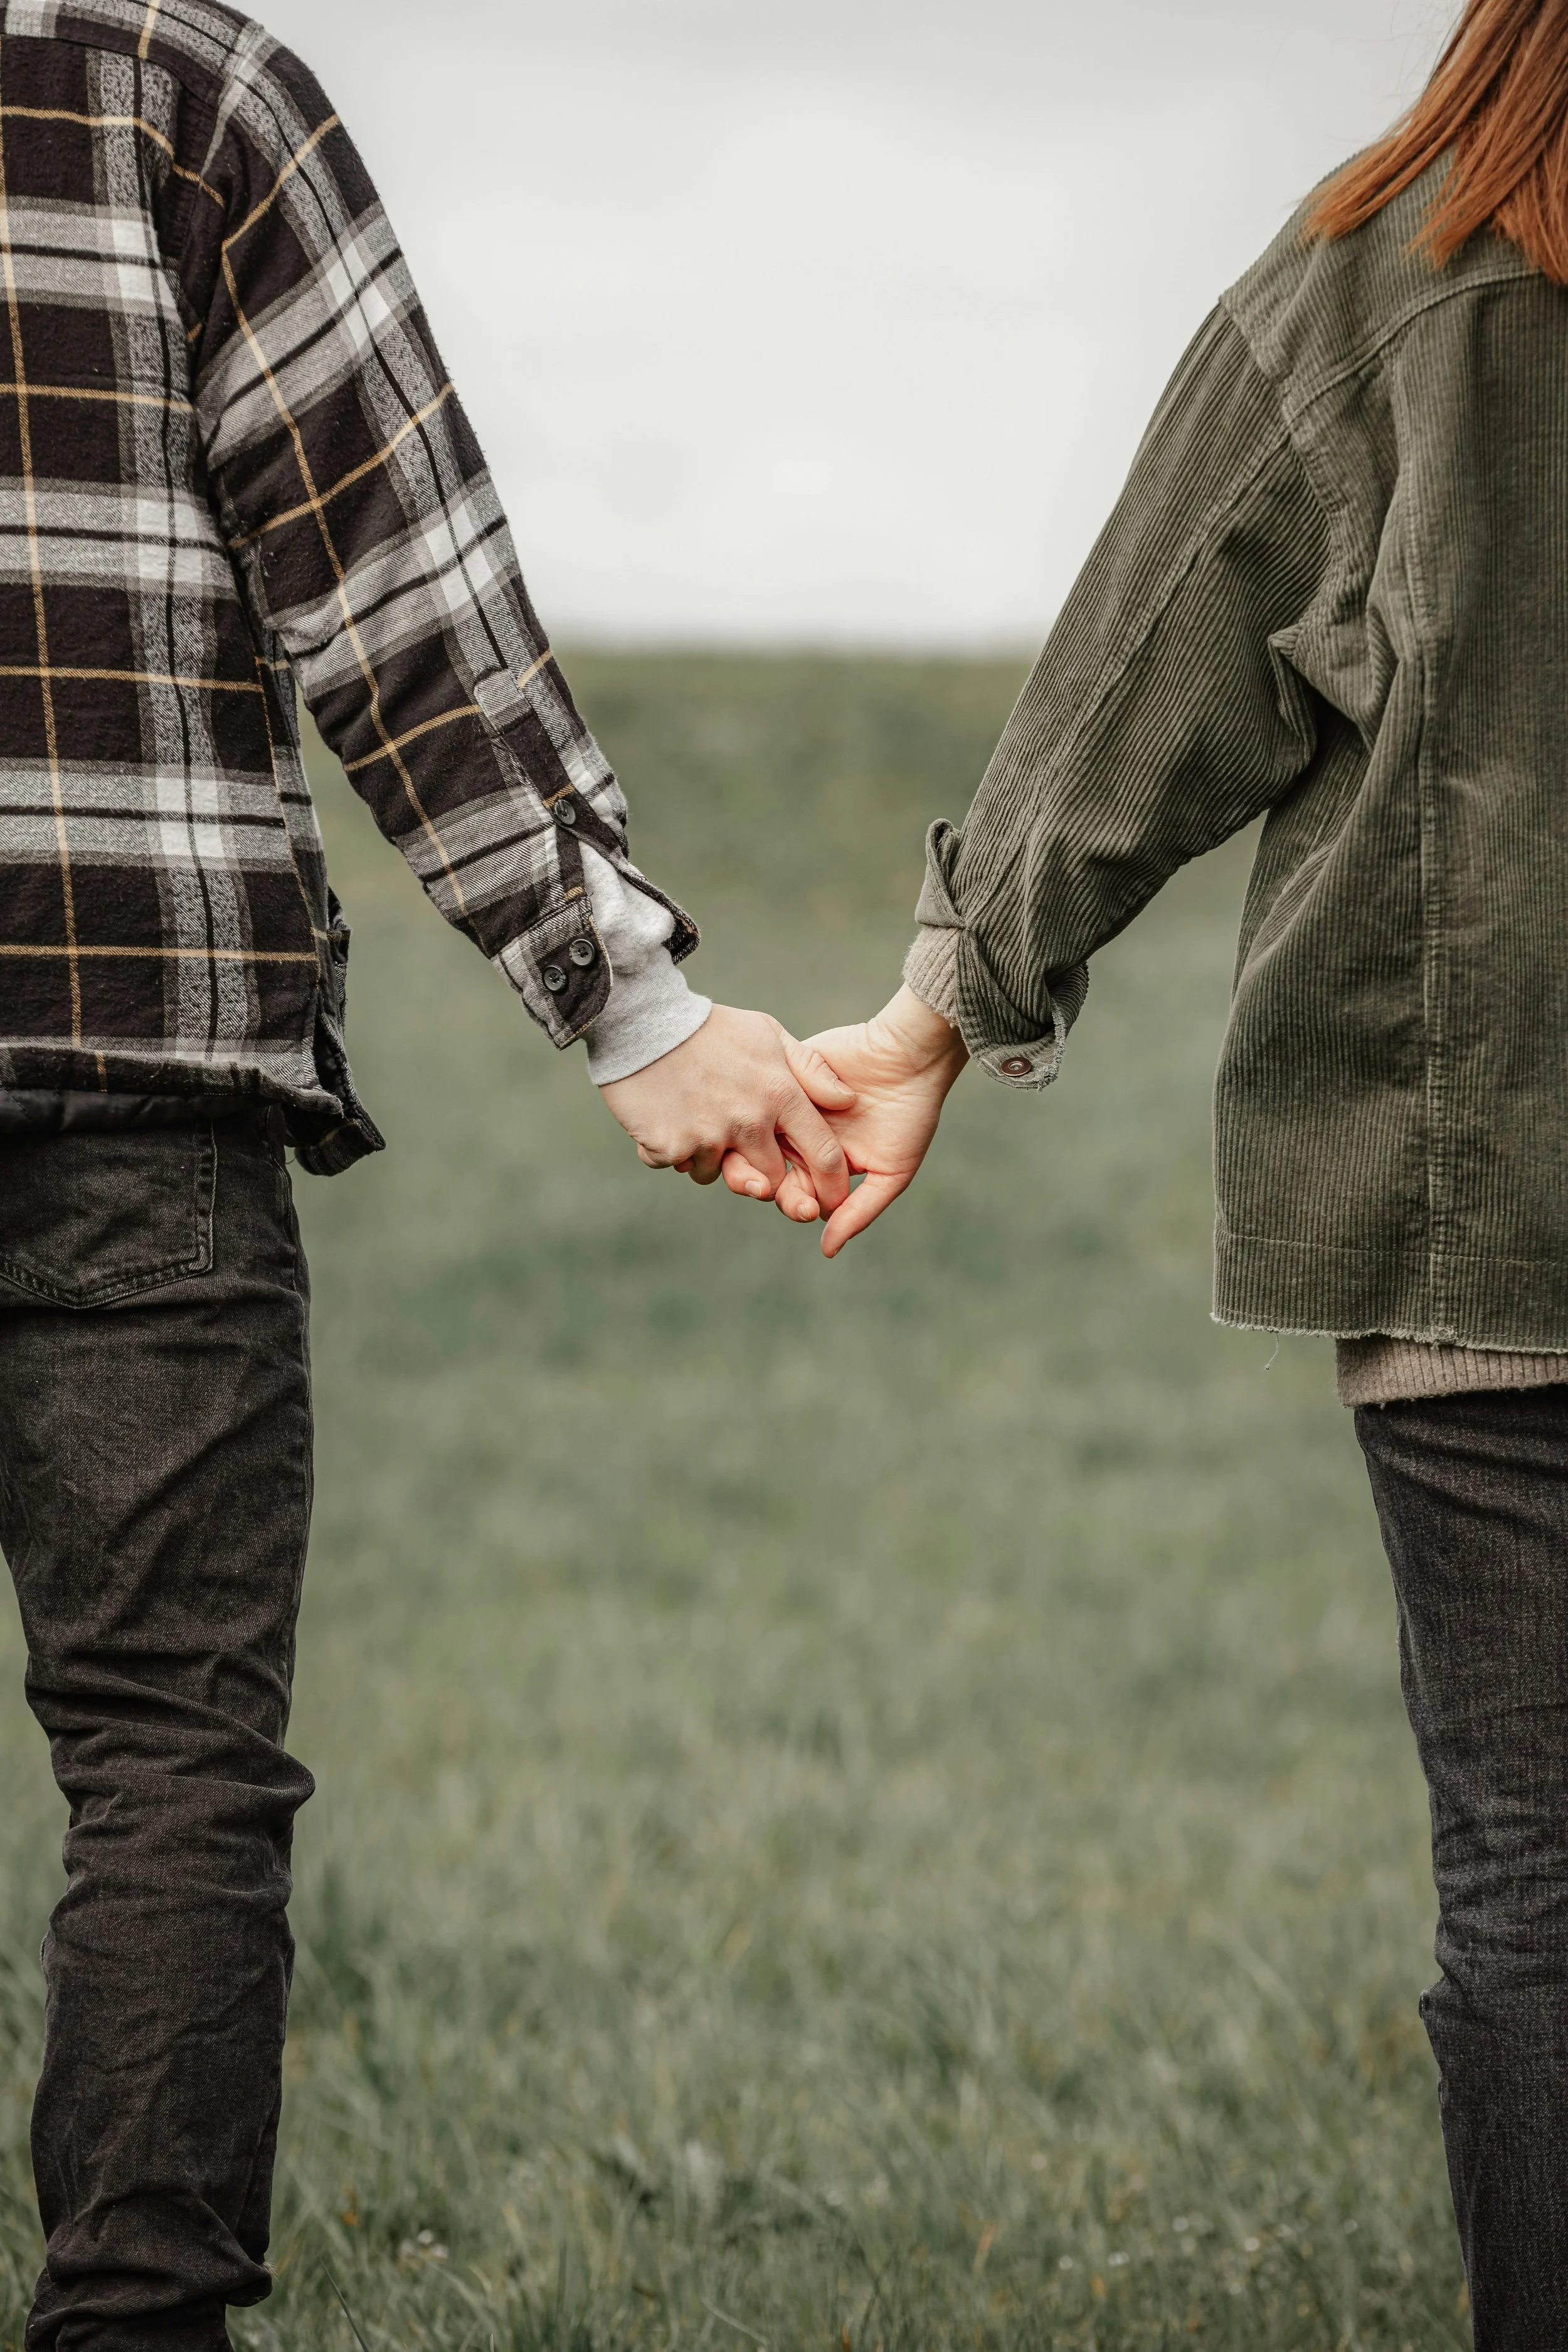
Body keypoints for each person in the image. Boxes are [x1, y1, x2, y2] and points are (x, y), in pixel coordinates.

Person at [0, 4, 852, 2347]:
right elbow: (393, 569)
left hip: (143, 1088)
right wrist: (634, 1008)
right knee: (168, 1756)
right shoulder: (166, 80)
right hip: (134, 1067)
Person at [725, 1, 1568, 2340]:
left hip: (1482, 1218)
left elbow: (1143, 668)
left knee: (1536, 1885)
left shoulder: (1378, 289)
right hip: (1477, 1224)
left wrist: (936, 994)